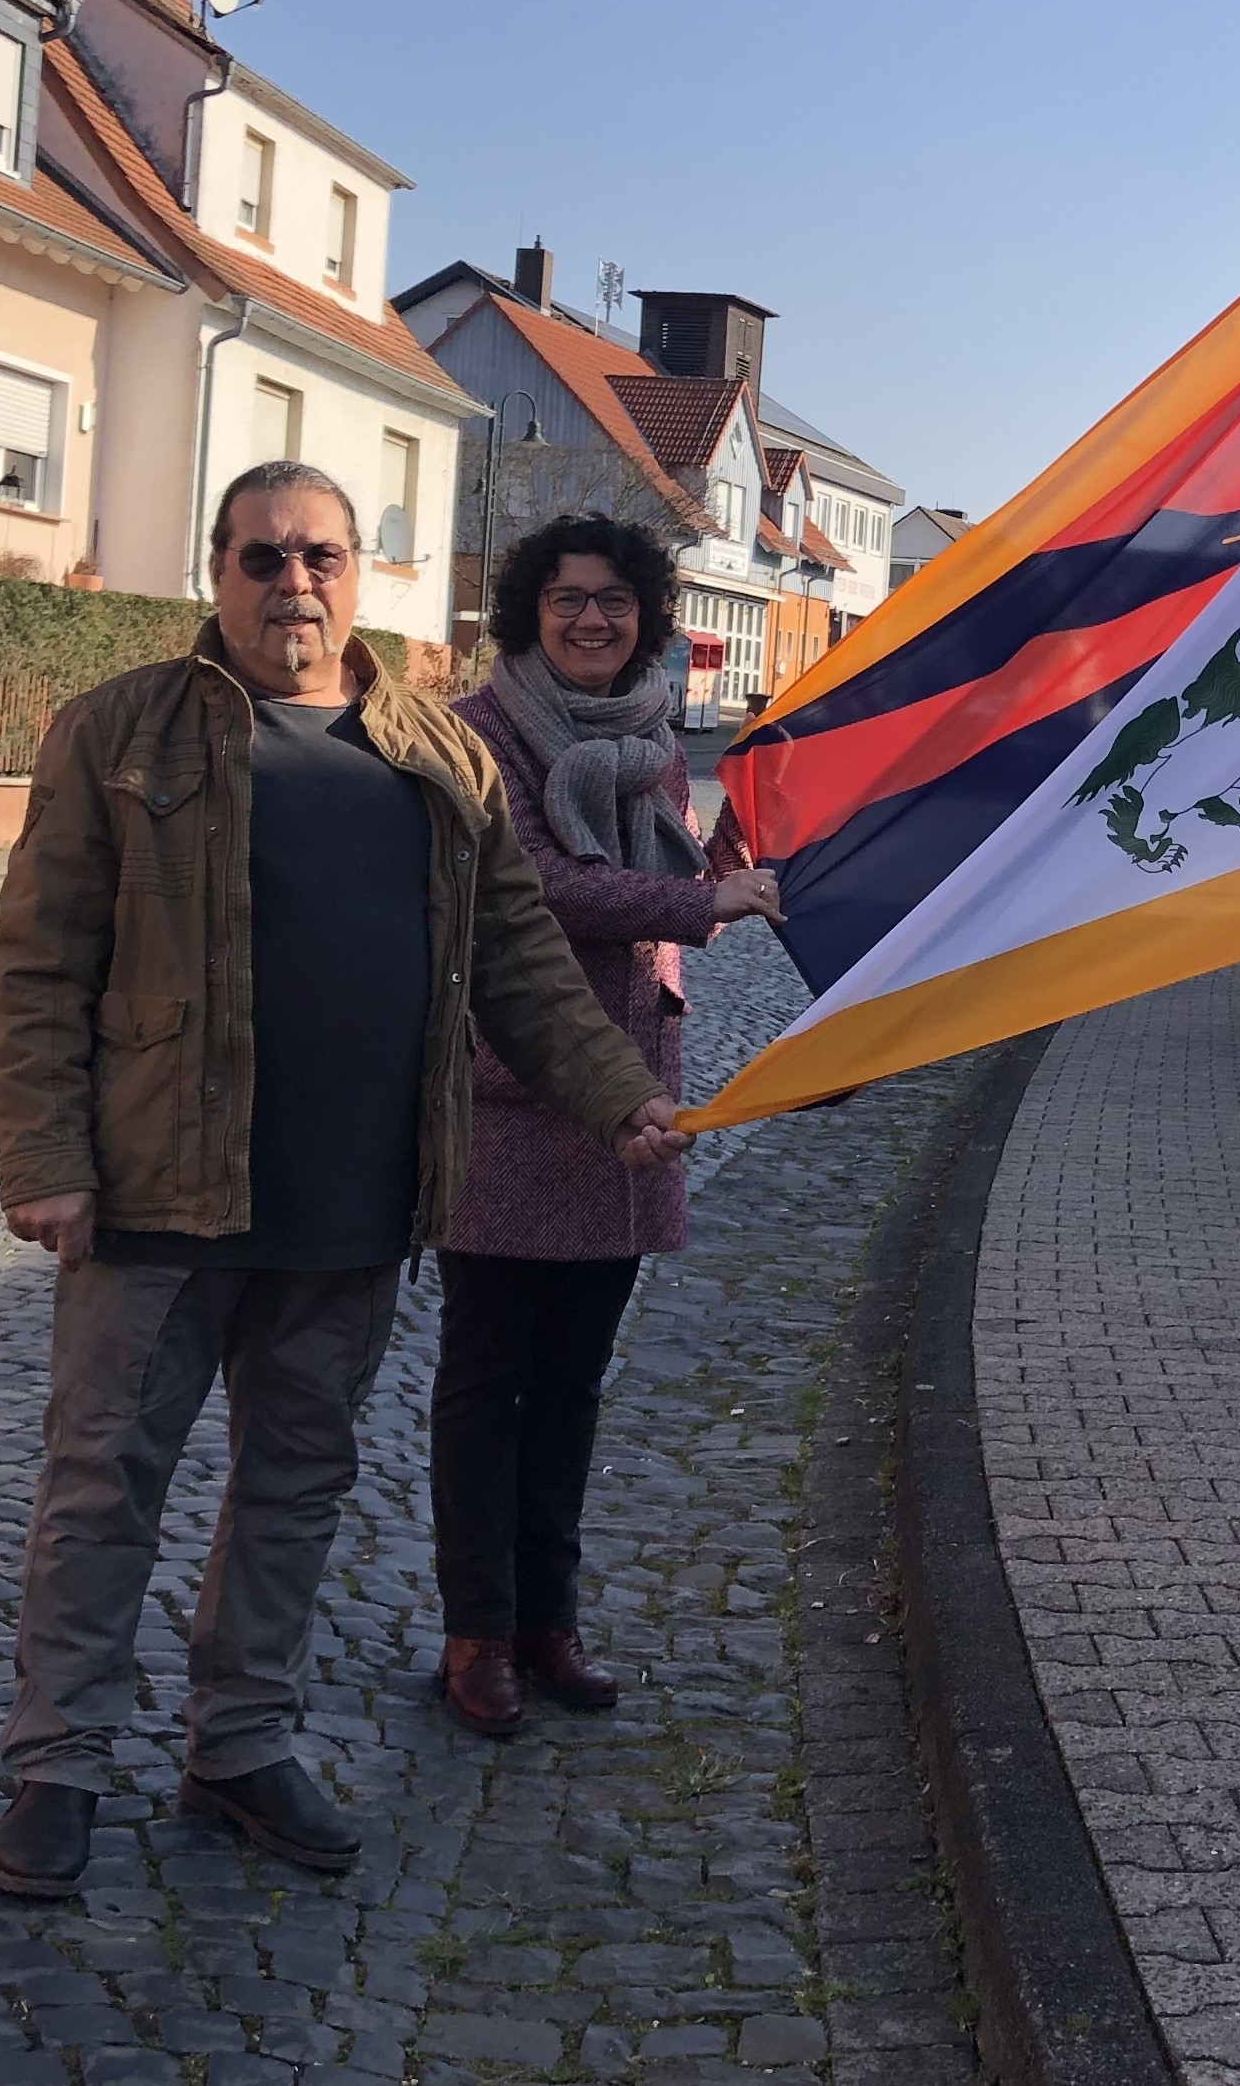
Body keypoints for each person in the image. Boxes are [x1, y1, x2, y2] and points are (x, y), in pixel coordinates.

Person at [0, 461, 690, 1901]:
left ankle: (239, 1741)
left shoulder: (435, 752)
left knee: (296, 1485)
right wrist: (46, 1158)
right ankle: (59, 1764)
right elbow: (39, 963)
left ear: (358, 572)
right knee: (104, 1485)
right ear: (217, 570)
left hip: (353, 1197)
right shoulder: (117, 730)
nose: (291, 582)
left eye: (318, 555)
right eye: (261, 556)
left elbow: (518, 960)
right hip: (155, 1194)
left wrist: (618, 1096)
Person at [429, 514, 786, 1737]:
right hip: (511, 1094)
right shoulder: (478, 734)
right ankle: (476, 1631)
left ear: (647, 617)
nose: (591, 618)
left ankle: (549, 1620)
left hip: (632, 1103)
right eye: (567, 597)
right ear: (529, 610)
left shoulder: (653, 741)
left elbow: (668, 878)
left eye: (614, 600)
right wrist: (700, 902)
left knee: (574, 1383)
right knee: (484, 1382)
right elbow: (535, 886)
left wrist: (723, 871)